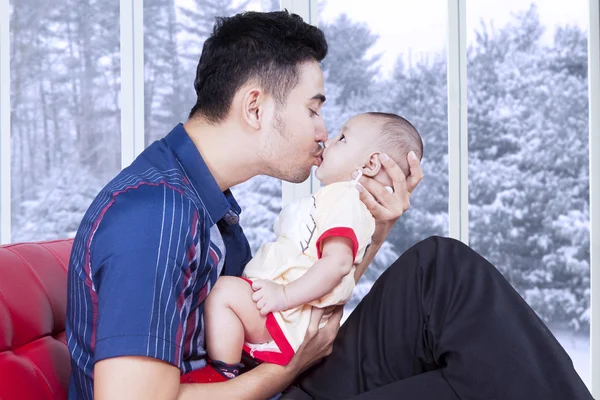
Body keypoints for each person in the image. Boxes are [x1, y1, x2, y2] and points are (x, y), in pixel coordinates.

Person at [64, 10, 593, 400]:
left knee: (440, 272)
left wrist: (377, 225)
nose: (322, 133)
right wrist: (286, 371)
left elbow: (298, 309)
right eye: (314, 110)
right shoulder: (156, 213)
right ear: (255, 106)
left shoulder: (207, 206)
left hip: (268, 381)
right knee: (483, 378)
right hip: (266, 387)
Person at [204, 112, 424, 376]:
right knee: (226, 296)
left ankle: (222, 374)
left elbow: (339, 263)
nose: (328, 141)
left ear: (371, 164)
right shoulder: (340, 200)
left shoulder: (345, 200)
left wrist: (283, 296)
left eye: (342, 138)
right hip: (284, 310)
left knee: (223, 293)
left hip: (287, 315)